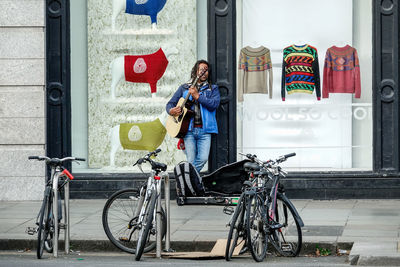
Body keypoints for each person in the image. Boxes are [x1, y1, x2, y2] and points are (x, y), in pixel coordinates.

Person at [166, 60, 220, 173]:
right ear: (196, 71)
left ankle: (185, 177)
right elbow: (170, 104)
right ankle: (191, 186)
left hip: (205, 130)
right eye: (202, 70)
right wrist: (171, 111)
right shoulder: (184, 88)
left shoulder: (213, 88)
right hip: (188, 130)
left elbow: (214, 104)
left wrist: (197, 96)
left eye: (206, 70)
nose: (204, 73)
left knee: (203, 158)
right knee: (191, 160)